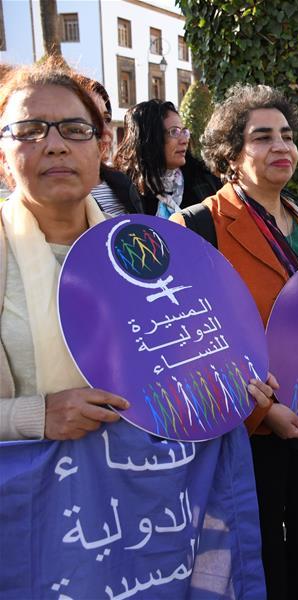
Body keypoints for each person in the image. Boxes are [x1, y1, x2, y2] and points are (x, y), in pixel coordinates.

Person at [0, 63, 275, 442]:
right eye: (29, 131)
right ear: (2, 157)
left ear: (101, 148)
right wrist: (33, 416)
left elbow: (181, 351)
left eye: (75, 130)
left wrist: (235, 378)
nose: (55, 145)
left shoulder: (145, 248)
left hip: (152, 488)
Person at [171, 83, 298, 600]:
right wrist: (261, 410)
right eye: (263, 137)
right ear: (231, 153)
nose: (281, 148)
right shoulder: (198, 225)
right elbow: (190, 339)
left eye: (287, 136)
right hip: (248, 430)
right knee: (260, 561)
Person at [114, 99, 220, 217]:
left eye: (184, 131)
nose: (184, 140)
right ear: (150, 139)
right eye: (174, 131)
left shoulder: (204, 181)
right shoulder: (124, 190)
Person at [75, 76, 142, 215]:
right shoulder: (54, 197)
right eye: (92, 119)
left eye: (106, 119)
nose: (107, 131)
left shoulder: (123, 183)